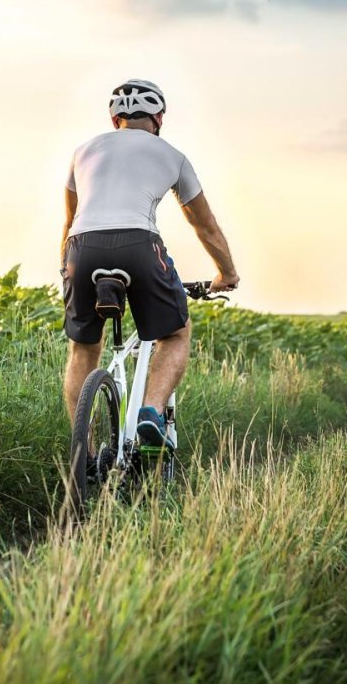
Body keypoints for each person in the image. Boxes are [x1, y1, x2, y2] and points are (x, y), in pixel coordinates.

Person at [61, 79, 239, 447]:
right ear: (159, 118)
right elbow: (204, 225)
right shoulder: (173, 155)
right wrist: (226, 272)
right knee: (175, 333)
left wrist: (67, 270)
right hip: (138, 245)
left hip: (81, 248)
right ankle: (151, 413)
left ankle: (86, 450)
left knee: (83, 348)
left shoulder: (82, 152)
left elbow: (70, 219)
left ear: (114, 119)